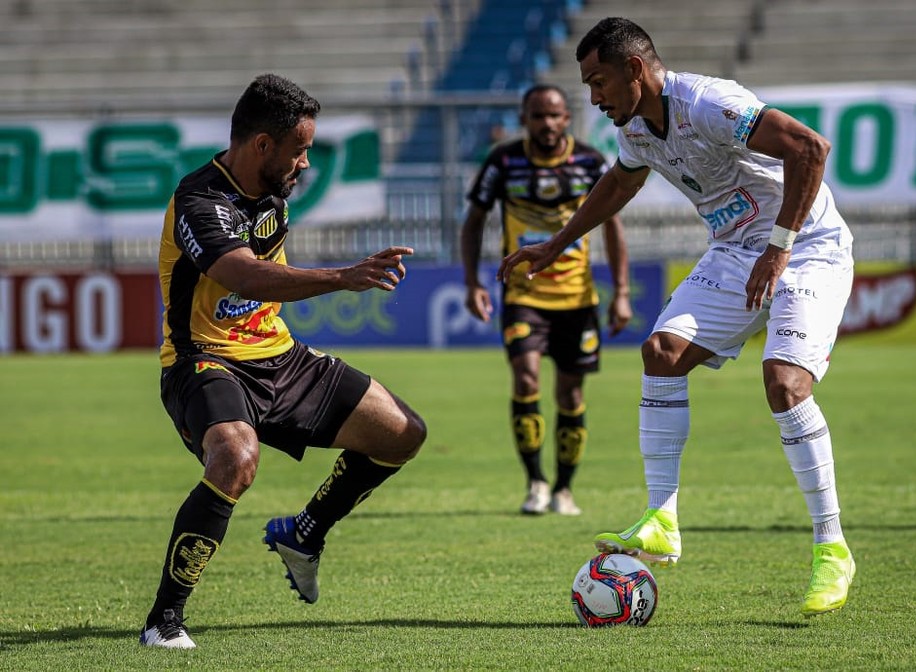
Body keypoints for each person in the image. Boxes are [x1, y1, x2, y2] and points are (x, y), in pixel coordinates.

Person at [498, 18, 856, 617]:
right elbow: (618, 185)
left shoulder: (711, 103)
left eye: (598, 81)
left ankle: (831, 547)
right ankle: (662, 518)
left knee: (784, 384)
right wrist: (556, 244)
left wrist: (779, 246)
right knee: (660, 352)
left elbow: (810, 148)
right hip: (736, 251)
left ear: (635, 69)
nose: (593, 97)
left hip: (807, 247)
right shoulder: (636, 127)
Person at [140, 73, 427, 649]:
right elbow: (243, 272)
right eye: (300, 150)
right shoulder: (200, 199)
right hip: (205, 361)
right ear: (262, 145)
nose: (305, 163)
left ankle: (304, 532)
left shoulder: (274, 190)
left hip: (279, 355)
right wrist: (343, 277)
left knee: (403, 433)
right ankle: (163, 620)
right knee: (234, 459)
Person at [461, 84, 633, 517]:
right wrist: (472, 282)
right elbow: (474, 220)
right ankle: (536, 482)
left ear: (567, 118)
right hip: (524, 296)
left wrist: (622, 292)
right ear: (525, 119)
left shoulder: (590, 162)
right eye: (538, 116)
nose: (548, 123)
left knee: (571, 395)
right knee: (526, 380)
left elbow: (612, 227)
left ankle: (564, 489)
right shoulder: (503, 161)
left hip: (577, 299)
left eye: (555, 115)